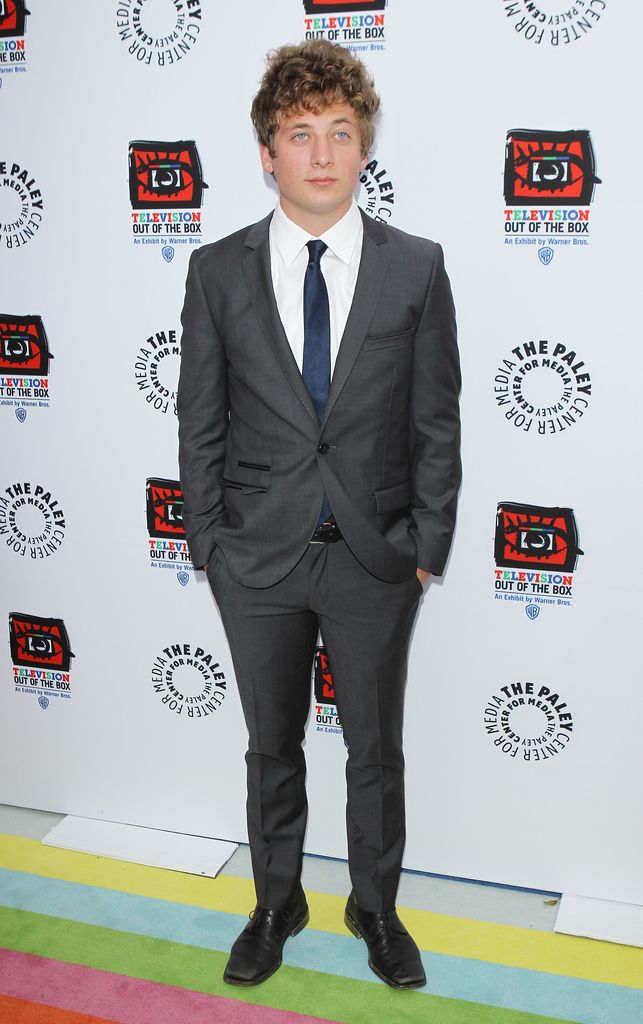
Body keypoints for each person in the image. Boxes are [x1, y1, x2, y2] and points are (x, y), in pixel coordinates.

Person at [177, 39, 461, 991]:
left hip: (376, 558)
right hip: (254, 557)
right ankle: (275, 901)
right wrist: (208, 543)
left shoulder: (414, 268)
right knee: (271, 744)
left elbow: (435, 418)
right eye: (301, 134)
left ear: (364, 145)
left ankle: (374, 908)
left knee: (375, 750)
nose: (323, 152)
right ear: (268, 152)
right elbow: (199, 418)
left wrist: (427, 545)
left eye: (341, 131)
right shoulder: (217, 272)